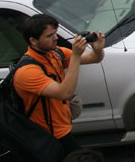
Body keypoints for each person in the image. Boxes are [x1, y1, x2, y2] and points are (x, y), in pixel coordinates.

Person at [13, 14, 105, 158]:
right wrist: (75, 56)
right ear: (33, 41)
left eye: (55, 33)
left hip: (63, 127)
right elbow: (65, 93)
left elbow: (93, 58)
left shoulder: (55, 53)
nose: (56, 38)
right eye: (49, 36)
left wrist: (98, 49)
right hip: (49, 135)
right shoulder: (27, 72)